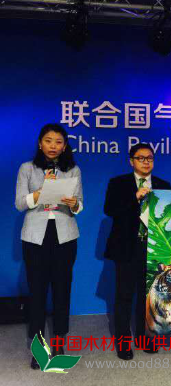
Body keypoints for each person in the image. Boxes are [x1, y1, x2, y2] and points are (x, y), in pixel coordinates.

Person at [15, 123, 83, 370]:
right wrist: (40, 193)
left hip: (65, 235)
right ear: (40, 143)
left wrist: (74, 203)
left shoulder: (72, 169)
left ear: (64, 146)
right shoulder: (27, 168)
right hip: (36, 237)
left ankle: (59, 341)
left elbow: (80, 205)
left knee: (63, 289)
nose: (53, 146)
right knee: (37, 292)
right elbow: (19, 203)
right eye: (48, 140)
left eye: (58, 142)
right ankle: (38, 347)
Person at [104, 143, 171, 360]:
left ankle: (146, 337)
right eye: (140, 158)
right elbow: (110, 210)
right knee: (124, 295)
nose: (145, 162)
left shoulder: (163, 185)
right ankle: (123, 342)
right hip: (127, 246)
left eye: (149, 158)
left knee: (149, 297)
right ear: (131, 161)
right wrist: (134, 197)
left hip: (153, 248)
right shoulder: (118, 183)